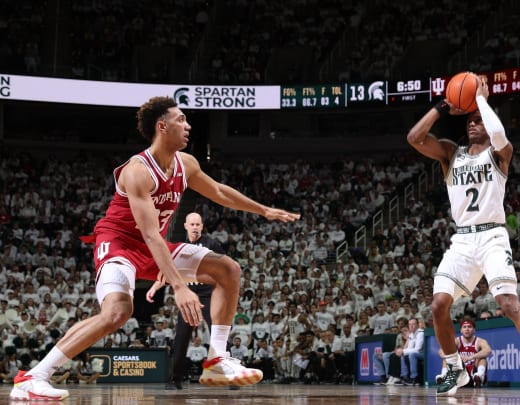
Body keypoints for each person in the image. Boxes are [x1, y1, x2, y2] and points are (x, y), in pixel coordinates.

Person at [9, 96, 301, 401]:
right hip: (120, 243)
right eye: (181, 120)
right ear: (162, 126)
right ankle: (33, 377)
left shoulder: (186, 164)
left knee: (228, 269)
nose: (188, 126)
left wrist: (264, 210)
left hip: (154, 245)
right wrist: (179, 286)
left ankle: (216, 359)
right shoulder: (137, 171)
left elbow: (217, 191)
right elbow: (149, 234)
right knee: (117, 313)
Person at [406, 74, 520, 397]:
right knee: (438, 305)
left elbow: (500, 134)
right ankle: (454, 368)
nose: (472, 125)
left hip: (492, 236)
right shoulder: (452, 153)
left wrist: (479, 99)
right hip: (462, 239)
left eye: (479, 121)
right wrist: (443, 106)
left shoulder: (499, 154)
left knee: (508, 304)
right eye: (470, 121)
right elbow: (414, 137)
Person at [146, 212, 224, 390]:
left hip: (207, 293)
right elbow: (168, 270)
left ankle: (230, 375)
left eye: (198, 224)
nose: (195, 227)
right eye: (192, 224)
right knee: (181, 337)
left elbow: (225, 267)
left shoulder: (212, 244)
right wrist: (154, 287)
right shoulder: (178, 247)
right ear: (186, 226)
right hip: (188, 294)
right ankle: (175, 379)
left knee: (218, 333)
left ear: (202, 226)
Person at [436, 320, 492, 388]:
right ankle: (444, 377)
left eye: (469, 327)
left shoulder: (480, 341)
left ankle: (479, 377)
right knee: (446, 359)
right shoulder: (457, 341)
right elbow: (441, 351)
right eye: (464, 327)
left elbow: (488, 350)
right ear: (461, 330)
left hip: (473, 373)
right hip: (460, 373)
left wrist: (471, 357)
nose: (467, 329)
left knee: (482, 358)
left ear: (474, 330)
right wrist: (456, 357)